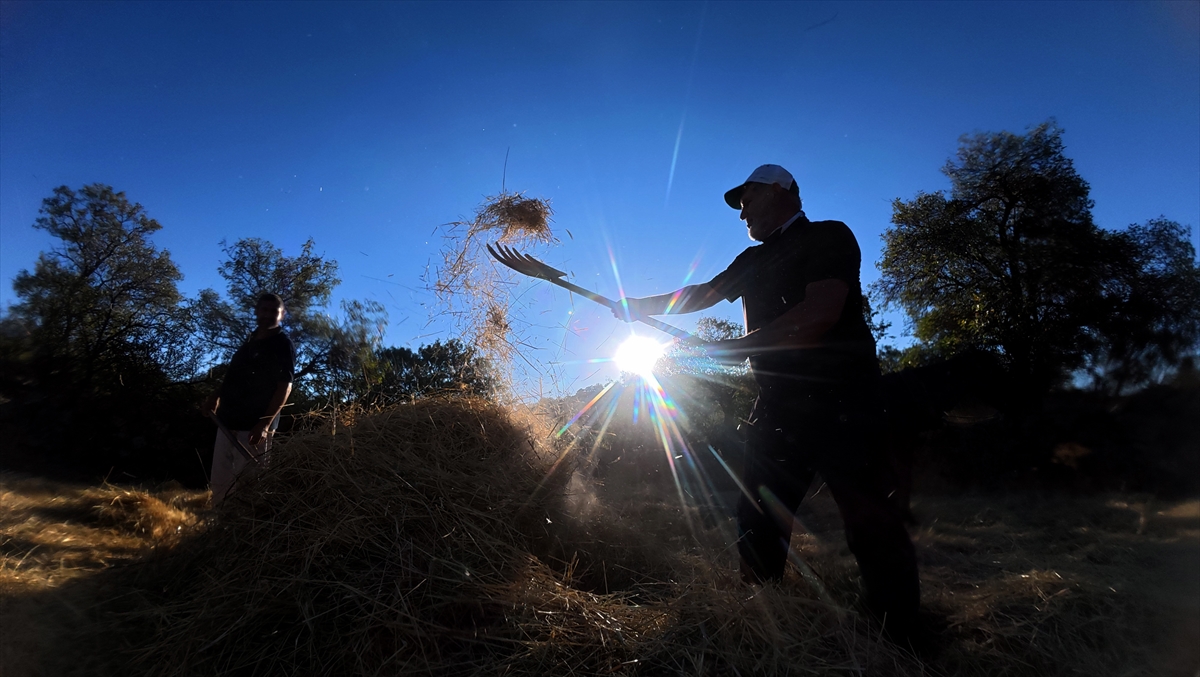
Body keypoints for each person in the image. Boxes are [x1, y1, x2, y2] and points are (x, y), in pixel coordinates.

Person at [615, 164, 920, 634]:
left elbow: (817, 316)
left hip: (844, 403)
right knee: (757, 518)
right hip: (778, 409)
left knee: (870, 521)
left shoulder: (828, 237)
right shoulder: (751, 261)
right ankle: (762, 627)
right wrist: (639, 307)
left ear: (781, 190)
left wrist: (729, 349)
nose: (741, 214)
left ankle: (903, 637)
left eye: (748, 199)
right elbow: (700, 294)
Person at [204, 293, 295, 505]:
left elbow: (285, 387)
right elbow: (233, 376)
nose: (268, 315)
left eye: (274, 311)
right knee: (219, 485)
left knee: (250, 488)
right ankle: (218, 532)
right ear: (256, 312)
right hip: (227, 422)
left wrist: (264, 424)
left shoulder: (282, 344)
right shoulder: (248, 344)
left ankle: (246, 534)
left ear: (282, 315)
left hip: (254, 429)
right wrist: (215, 396)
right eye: (264, 310)